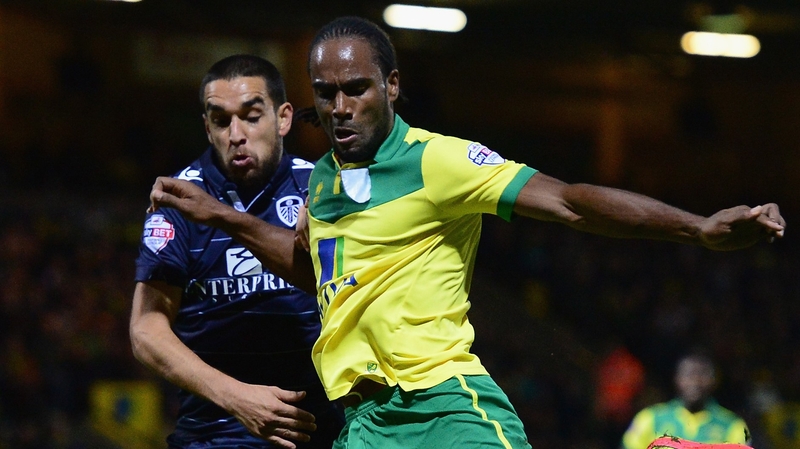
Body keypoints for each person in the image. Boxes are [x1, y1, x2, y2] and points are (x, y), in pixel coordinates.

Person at [147, 17, 786, 449]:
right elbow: (308, 266)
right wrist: (224, 217)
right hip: (362, 425)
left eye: (356, 89)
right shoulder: (322, 183)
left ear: (391, 86)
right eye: (326, 93)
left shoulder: (438, 161)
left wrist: (697, 227)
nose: (339, 108)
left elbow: (569, 201)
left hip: (443, 407)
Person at [129, 54, 344, 449]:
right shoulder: (178, 200)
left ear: (283, 119)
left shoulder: (320, 189)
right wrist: (236, 397)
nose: (236, 133)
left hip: (323, 432)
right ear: (207, 127)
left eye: (251, 116)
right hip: (217, 435)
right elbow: (146, 329)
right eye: (221, 120)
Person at [621, 351, 751, 449]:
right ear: (677, 379)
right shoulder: (651, 418)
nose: (695, 381)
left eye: (702, 374)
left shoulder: (732, 425)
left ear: (714, 380)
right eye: (688, 374)